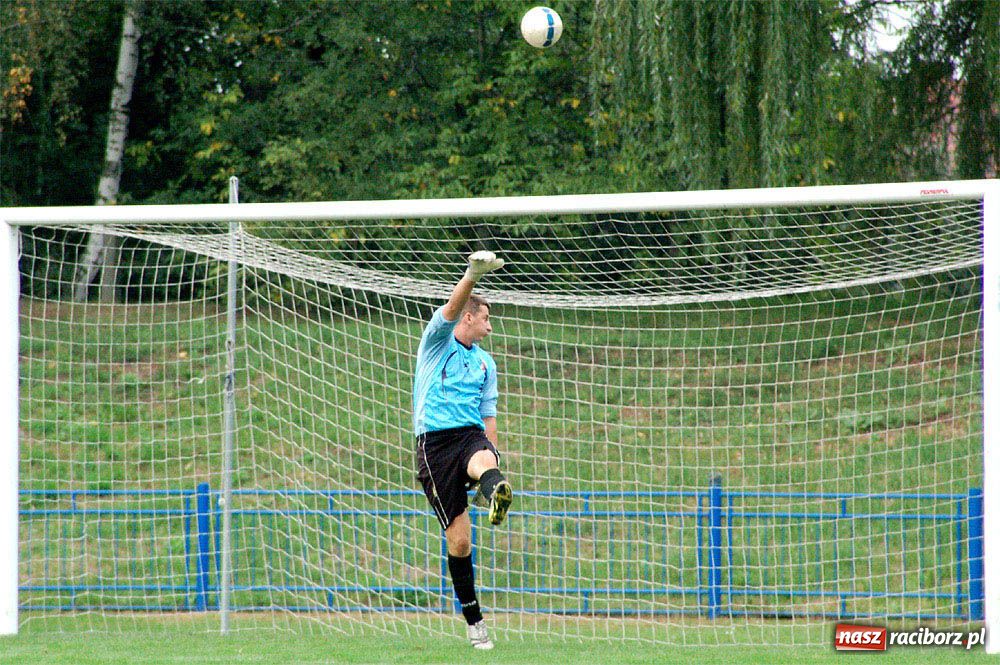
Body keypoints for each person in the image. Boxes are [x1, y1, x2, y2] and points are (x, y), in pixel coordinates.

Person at [413, 250, 513, 650]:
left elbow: (488, 416)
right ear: (468, 318)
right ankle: (474, 622)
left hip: (470, 436)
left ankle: (495, 489)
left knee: (485, 458)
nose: (490, 325)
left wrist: (494, 458)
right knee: (460, 543)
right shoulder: (436, 342)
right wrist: (472, 275)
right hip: (435, 444)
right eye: (486, 317)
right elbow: (451, 308)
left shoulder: (486, 364)